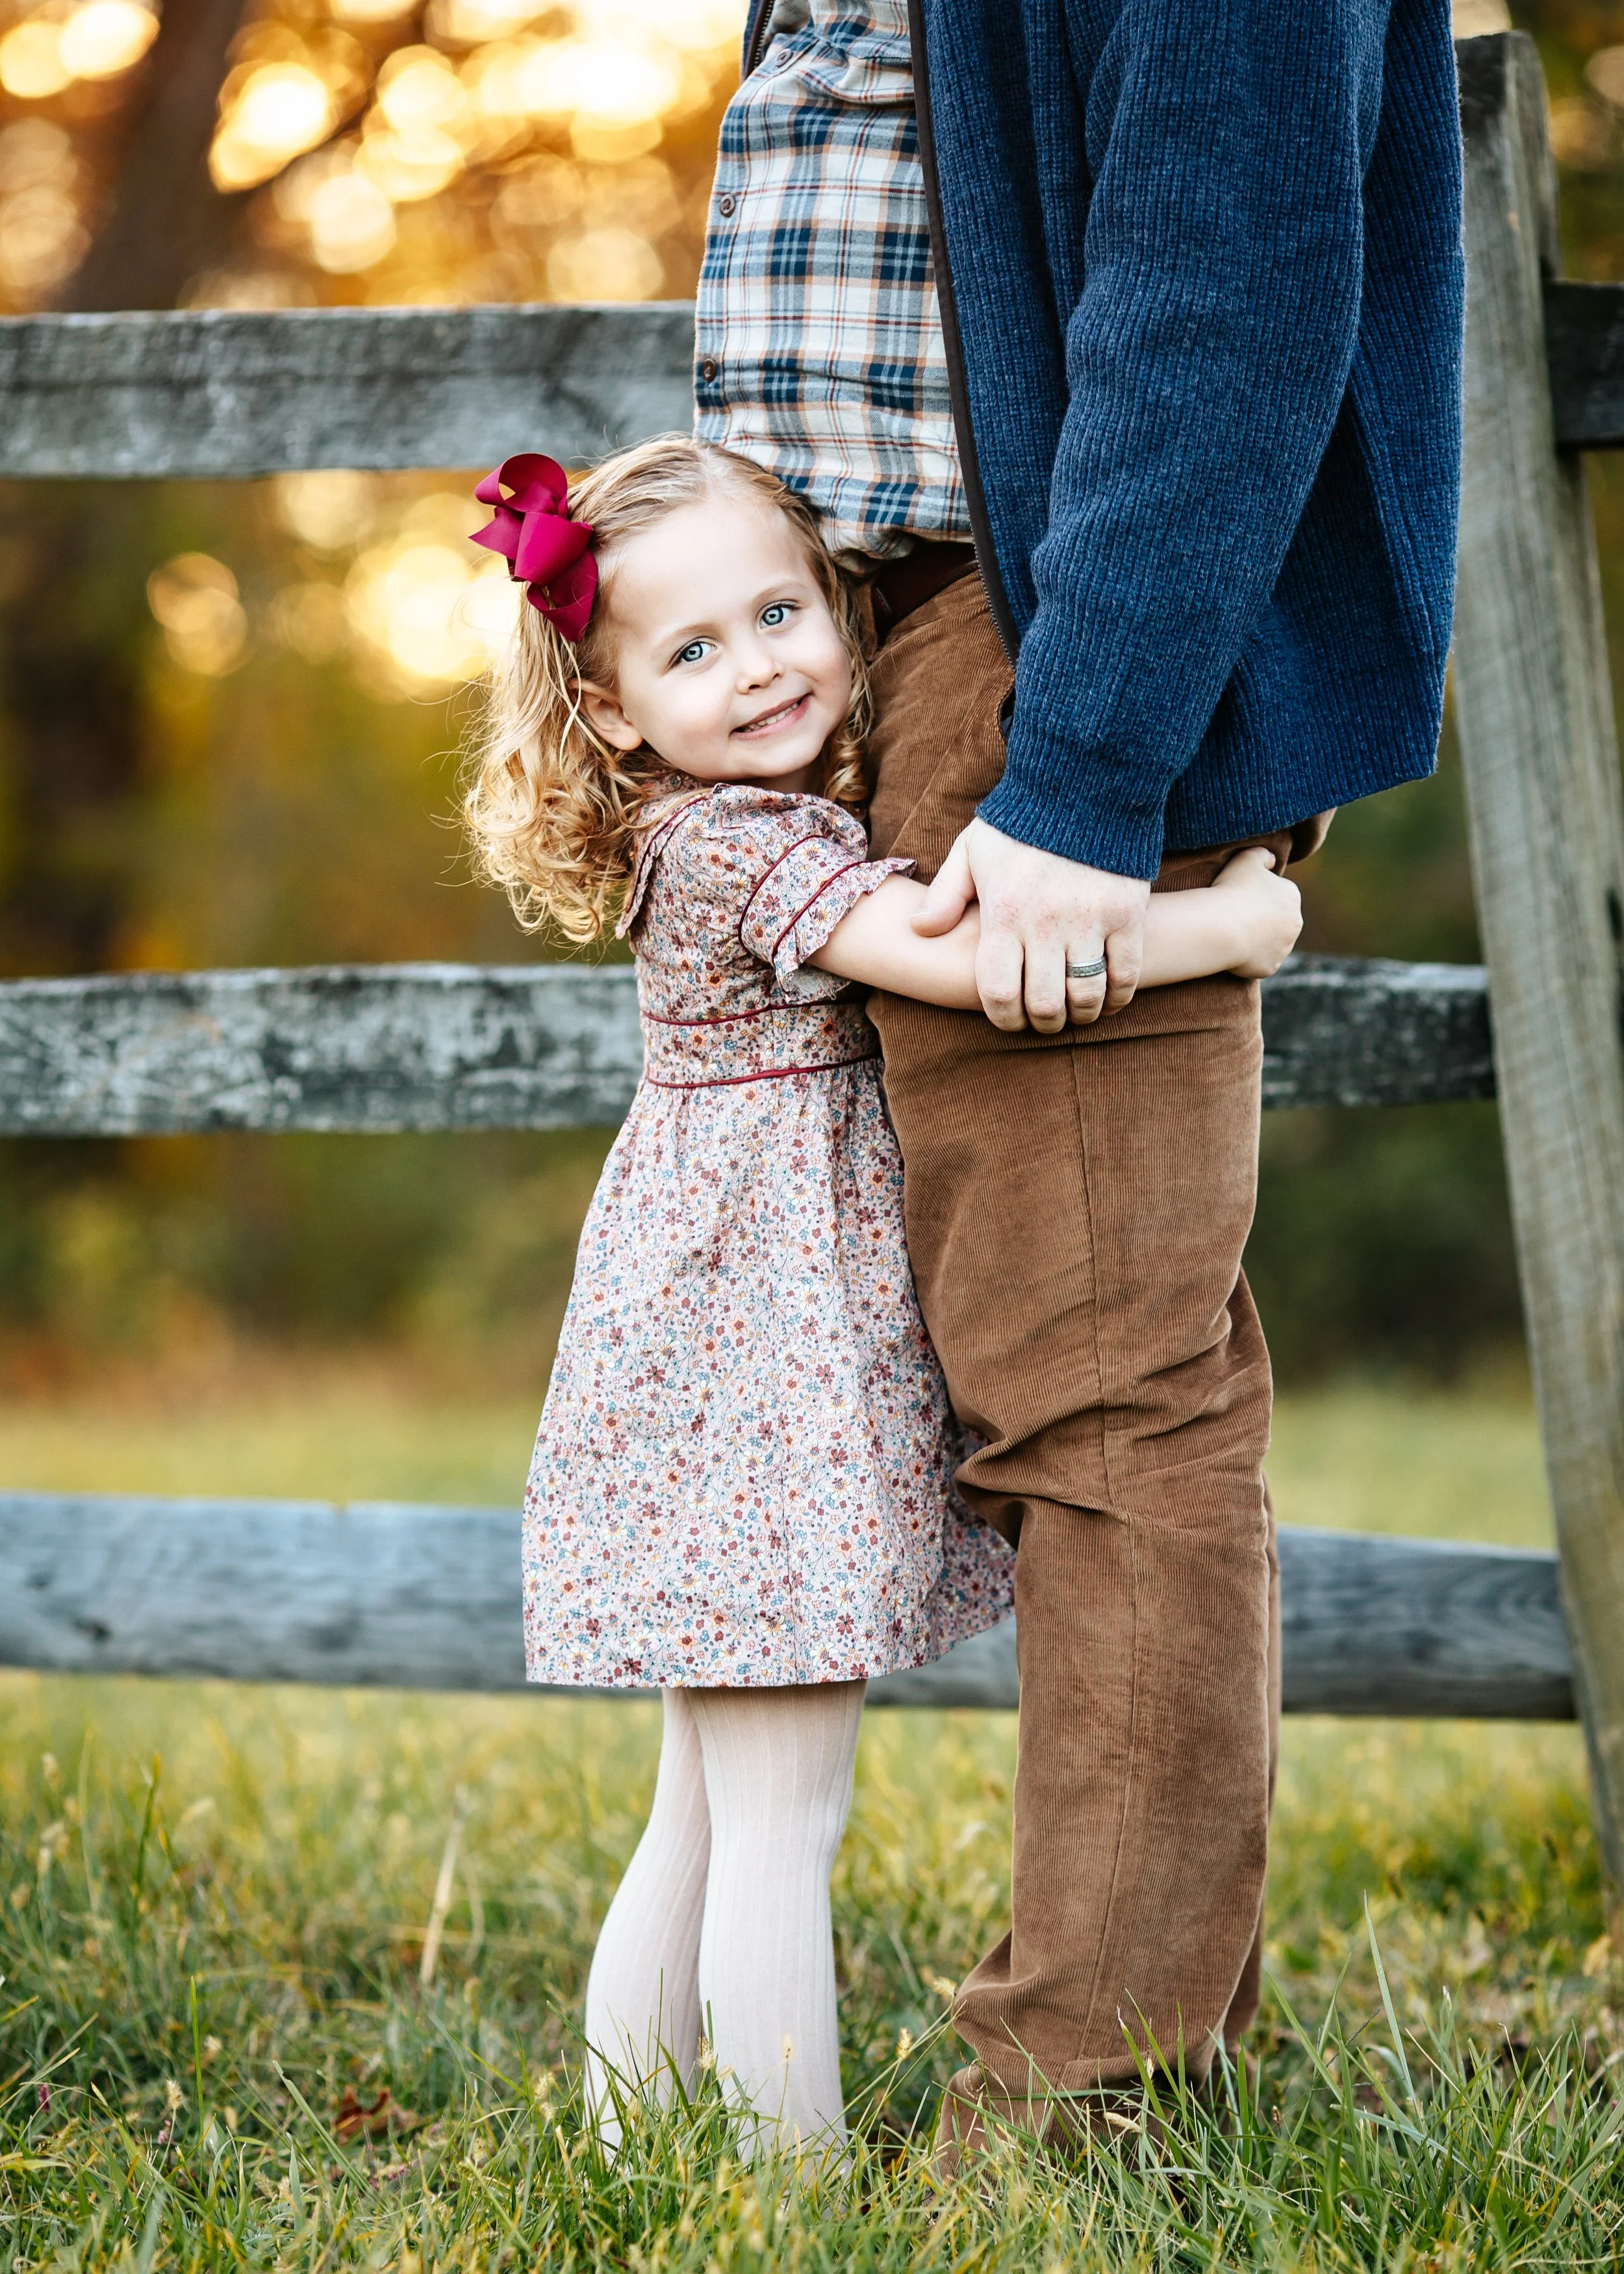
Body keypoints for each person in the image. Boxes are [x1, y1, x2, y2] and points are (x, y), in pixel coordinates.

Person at [694, 0, 1462, 2164]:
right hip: (857, 631)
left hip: (1029, 641)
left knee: (1102, 1374)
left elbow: (1225, 253)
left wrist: (1093, 753)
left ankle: (1082, 2112)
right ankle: (1151, 2030)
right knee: (1044, 1352)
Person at [461, 435, 1304, 2154]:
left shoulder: (726, 823)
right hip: (757, 1380)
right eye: (691, 650)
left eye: (779, 611)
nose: (756, 663)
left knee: (702, 1807)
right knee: (779, 1817)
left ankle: (639, 2157)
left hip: (723, 1369)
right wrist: (1222, 931)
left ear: (838, 603)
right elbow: (962, 954)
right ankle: (789, 2195)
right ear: (612, 711)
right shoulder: (739, 847)